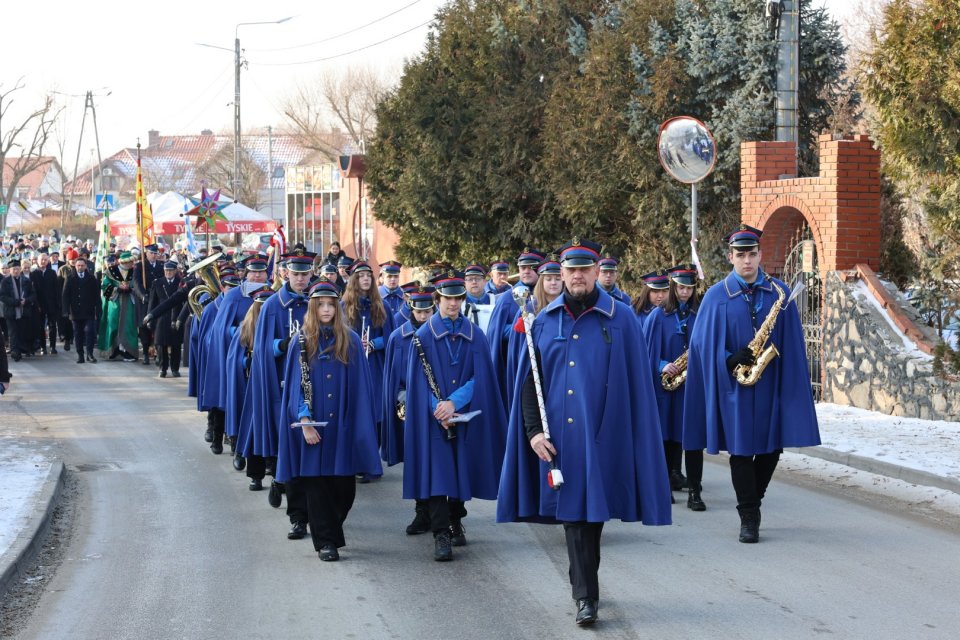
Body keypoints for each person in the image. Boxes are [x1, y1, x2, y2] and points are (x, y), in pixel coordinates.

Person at [497, 238, 672, 626]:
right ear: (561, 273)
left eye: (584, 269)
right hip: (561, 440)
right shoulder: (544, 321)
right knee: (575, 518)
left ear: (596, 271)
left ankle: (584, 582)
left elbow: (637, 386)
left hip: (607, 438)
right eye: (571, 269)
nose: (577, 276)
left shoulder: (622, 319)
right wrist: (533, 432)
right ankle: (585, 596)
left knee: (593, 519)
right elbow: (530, 384)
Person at [682, 225, 820, 543]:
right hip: (735, 388)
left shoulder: (778, 292)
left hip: (771, 384)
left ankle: (752, 500)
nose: (747, 261)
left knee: (772, 449)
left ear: (760, 255)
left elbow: (793, 342)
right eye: (741, 255)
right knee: (741, 452)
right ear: (730, 256)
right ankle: (749, 516)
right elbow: (700, 346)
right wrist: (728, 358)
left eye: (752, 254)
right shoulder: (716, 296)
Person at [403, 270, 507, 561]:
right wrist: (439, 408)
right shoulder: (423, 336)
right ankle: (441, 533)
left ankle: (456, 518)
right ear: (437, 299)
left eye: (458, 298)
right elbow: (418, 383)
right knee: (438, 474)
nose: (453, 304)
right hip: (433, 418)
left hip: (464, 414)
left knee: (461, 470)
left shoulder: (476, 335)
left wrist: (454, 402)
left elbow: (481, 377)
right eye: (448, 298)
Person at [277, 279, 383, 561]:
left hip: (342, 428)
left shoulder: (351, 341)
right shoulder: (301, 341)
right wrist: (304, 421)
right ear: (312, 308)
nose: (326, 309)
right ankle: (326, 542)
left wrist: (358, 426)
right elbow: (296, 387)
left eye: (330, 305)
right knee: (317, 487)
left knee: (344, 491)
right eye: (320, 305)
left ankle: (329, 529)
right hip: (312, 427)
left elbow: (361, 389)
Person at [245, 249, 313, 538]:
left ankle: (309, 509)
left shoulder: (319, 301)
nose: (300, 279)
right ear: (286, 273)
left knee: (310, 452)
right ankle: (293, 508)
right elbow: (262, 348)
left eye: (305, 274)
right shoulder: (273, 305)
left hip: (315, 384)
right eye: (296, 274)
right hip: (283, 385)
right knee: (288, 447)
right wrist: (283, 345)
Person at [645, 263, 705, 509]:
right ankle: (663, 487)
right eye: (681, 287)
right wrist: (662, 365)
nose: (685, 292)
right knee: (665, 438)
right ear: (673, 287)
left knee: (690, 439)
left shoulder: (698, 315)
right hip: (664, 388)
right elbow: (645, 352)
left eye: (689, 288)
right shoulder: (657, 316)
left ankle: (693, 491)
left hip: (690, 387)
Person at [382, 284, 436, 534]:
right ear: (410, 310)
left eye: (428, 312)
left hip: (441, 407)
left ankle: (451, 516)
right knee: (416, 462)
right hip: (410, 406)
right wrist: (404, 400)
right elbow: (394, 379)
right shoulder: (398, 337)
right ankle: (422, 511)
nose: (423, 317)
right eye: (419, 312)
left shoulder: (439, 333)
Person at [341, 260, 396, 469]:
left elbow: (391, 337)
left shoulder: (383, 305)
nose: (365, 279)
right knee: (355, 409)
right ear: (354, 280)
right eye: (361, 276)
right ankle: (357, 458)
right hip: (352, 363)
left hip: (375, 364)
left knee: (376, 411)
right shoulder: (343, 306)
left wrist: (373, 344)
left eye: (368, 276)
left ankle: (371, 458)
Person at [227, 285, 274, 483]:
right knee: (251, 426)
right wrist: (246, 361)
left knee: (270, 426)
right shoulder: (245, 329)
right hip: (248, 384)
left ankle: (271, 464)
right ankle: (252, 469)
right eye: (260, 306)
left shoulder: (275, 326)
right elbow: (233, 358)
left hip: (270, 384)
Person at [487, 249, 544, 407]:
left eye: (531, 267)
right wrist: (519, 328)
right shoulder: (507, 298)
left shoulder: (548, 293)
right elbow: (495, 333)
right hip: (516, 364)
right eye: (522, 267)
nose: (526, 271)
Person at [97, 251, 140, 362]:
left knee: (128, 325)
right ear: (125, 262)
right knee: (113, 324)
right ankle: (113, 350)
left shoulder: (135, 271)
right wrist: (117, 288)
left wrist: (131, 289)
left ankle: (128, 351)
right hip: (115, 303)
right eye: (130, 261)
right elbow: (104, 286)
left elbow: (139, 286)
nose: (132, 263)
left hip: (129, 303)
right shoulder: (111, 271)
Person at [145, 261, 185, 378]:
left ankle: (175, 368)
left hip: (176, 315)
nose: (168, 272)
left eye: (170, 270)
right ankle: (163, 368)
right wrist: (150, 317)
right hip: (161, 317)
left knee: (176, 344)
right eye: (166, 270)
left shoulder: (181, 282)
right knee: (161, 344)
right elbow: (152, 302)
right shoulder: (157, 282)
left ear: (175, 271)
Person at [61, 256, 102, 363]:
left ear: (85, 266)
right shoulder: (70, 278)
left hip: (89, 311)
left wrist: (98, 309)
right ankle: (80, 355)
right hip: (75, 311)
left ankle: (90, 354)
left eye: (82, 265)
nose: (80, 267)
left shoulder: (91, 278)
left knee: (90, 332)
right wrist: (65, 310)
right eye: (78, 265)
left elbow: (96, 295)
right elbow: (65, 295)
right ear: (75, 266)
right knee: (78, 334)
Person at [0, 259, 36, 361]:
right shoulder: (5, 282)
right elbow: (2, 296)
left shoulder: (26, 281)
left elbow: (33, 294)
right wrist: (15, 302)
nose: (16, 271)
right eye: (14, 269)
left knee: (21, 332)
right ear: (10, 270)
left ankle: (20, 350)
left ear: (20, 269)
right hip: (10, 311)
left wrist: (26, 300)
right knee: (13, 332)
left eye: (17, 269)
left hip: (24, 311)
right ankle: (15, 352)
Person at [30, 250, 61, 355]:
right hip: (39, 304)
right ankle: (43, 346)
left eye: (45, 260)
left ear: (48, 261)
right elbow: (33, 291)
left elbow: (56, 289)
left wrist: (57, 303)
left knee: (52, 326)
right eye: (41, 260)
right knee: (41, 326)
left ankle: (53, 346)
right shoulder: (34, 274)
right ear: (37, 261)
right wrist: (36, 304)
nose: (43, 261)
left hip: (51, 304)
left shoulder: (52, 273)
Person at [632, 268, 671, 336]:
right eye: (656, 291)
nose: (661, 295)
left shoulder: (673, 311)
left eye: (665, 291)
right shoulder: (633, 312)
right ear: (647, 292)